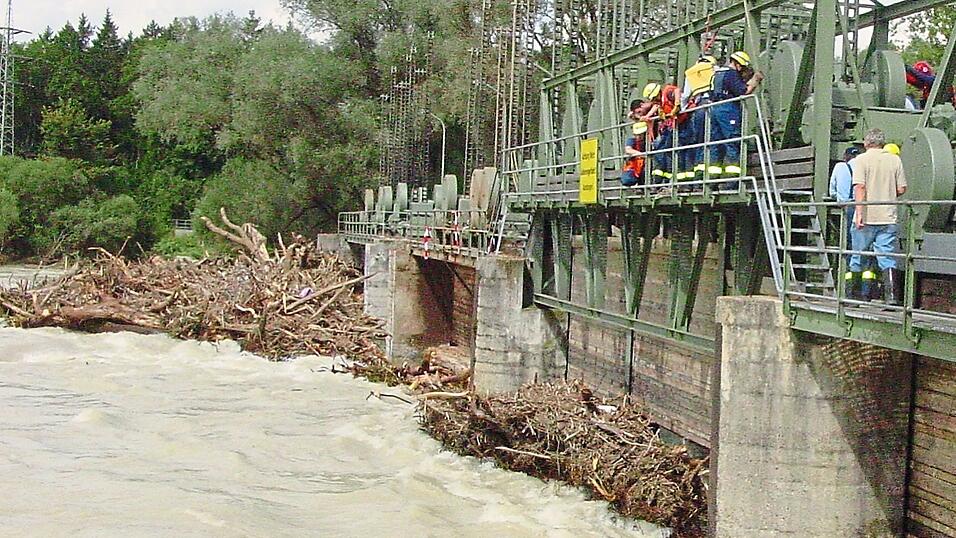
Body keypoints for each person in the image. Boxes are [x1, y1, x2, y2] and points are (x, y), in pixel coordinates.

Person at [850, 128, 907, 305]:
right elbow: (902, 189)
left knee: (858, 256)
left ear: (866, 143)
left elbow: (860, 187)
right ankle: (891, 298)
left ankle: (853, 295)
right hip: (888, 217)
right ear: (882, 142)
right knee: (887, 256)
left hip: (867, 216)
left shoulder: (861, 160)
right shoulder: (895, 160)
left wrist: (859, 214)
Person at [706, 51, 764, 189]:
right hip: (727, 109)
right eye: (742, 68)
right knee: (733, 143)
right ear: (737, 64)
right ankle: (731, 182)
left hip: (714, 109)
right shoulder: (731, 74)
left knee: (715, 145)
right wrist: (755, 80)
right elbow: (743, 91)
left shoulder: (717, 74)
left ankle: (711, 182)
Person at [830, 146, 874, 299]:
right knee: (866, 249)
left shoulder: (841, 167)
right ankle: (866, 292)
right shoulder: (866, 166)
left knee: (849, 248)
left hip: (848, 209)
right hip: (865, 208)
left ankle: (849, 291)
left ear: (846, 156)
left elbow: (832, 191)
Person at [683, 55, 718, 186]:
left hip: (700, 108)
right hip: (715, 105)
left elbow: (686, 95)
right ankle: (712, 179)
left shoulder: (691, 72)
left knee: (699, 142)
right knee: (714, 141)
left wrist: (683, 110)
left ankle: (698, 180)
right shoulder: (716, 69)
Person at [649, 83, 686, 184]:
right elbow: (656, 107)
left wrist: (677, 105)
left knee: (678, 151)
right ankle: (666, 180)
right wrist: (648, 116)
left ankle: (678, 181)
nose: (653, 101)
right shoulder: (660, 101)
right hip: (674, 126)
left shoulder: (667, 91)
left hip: (684, 122)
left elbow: (677, 90)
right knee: (668, 151)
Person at [621, 99, 654, 187]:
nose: (638, 136)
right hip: (637, 166)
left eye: (640, 134)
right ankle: (639, 185)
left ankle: (643, 186)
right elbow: (628, 149)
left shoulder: (648, 140)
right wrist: (642, 154)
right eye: (637, 134)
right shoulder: (632, 140)